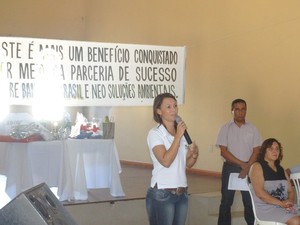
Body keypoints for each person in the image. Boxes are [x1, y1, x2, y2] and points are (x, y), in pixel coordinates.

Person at [145, 93, 199, 225]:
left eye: (175, 106)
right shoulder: (155, 133)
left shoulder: (180, 133)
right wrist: (178, 137)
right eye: (168, 107)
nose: (174, 110)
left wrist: (194, 154)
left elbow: (188, 164)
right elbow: (166, 161)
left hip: (182, 193)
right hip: (162, 193)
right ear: (158, 111)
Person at [216, 98, 262, 225]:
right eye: (237, 109)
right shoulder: (225, 128)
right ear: (232, 111)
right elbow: (223, 151)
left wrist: (247, 168)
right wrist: (242, 165)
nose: (240, 112)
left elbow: (257, 150)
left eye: (243, 109)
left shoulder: (253, 128)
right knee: (226, 202)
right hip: (230, 168)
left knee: (249, 201)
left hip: (249, 168)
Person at [249, 138, 300, 225]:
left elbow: (290, 191)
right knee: (297, 221)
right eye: (270, 149)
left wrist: (290, 201)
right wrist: (281, 203)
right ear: (264, 151)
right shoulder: (257, 167)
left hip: (284, 206)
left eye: (277, 149)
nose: (275, 151)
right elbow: (260, 193)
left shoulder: (281, 169)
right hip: (267, 209)